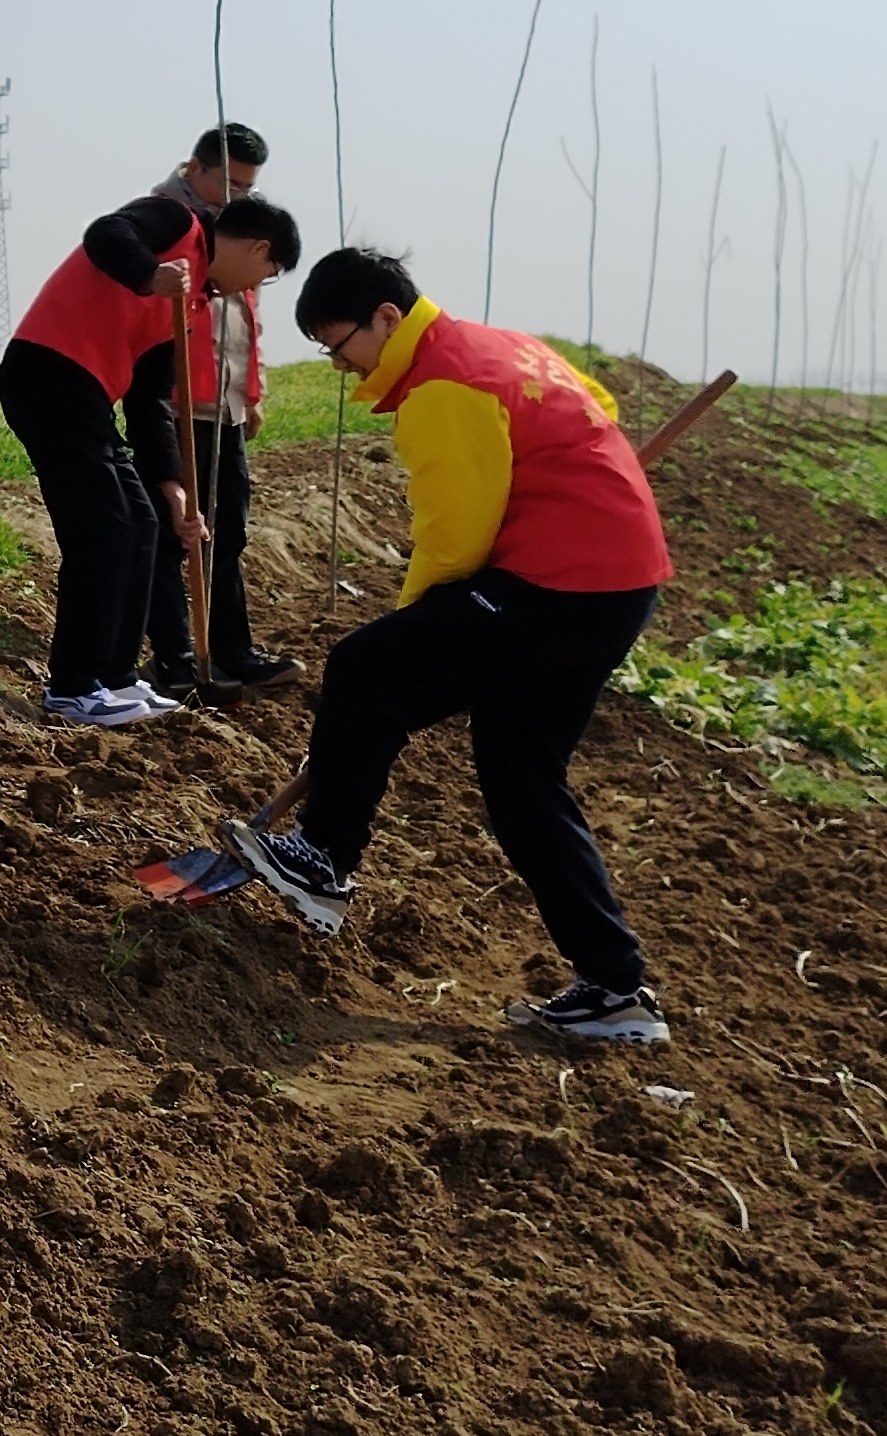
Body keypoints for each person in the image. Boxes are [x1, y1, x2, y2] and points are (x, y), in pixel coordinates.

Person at [234, 248, 676, 1046]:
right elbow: (599, 405)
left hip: (560, 581)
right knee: (521, 778)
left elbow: (456, 537)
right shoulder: (502, 346)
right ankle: (615, 988)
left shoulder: (441, 383)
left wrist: (409, 637)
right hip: (618, 584)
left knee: (365, 668)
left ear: (387, 319)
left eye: (340, 347)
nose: (340, 366)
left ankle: (323, 858)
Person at [0, 180, 300, 729]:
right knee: (104, 530)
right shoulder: (177, 223)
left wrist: (172, 486)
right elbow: (106, 233)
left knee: (144, 525)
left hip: (90, 396)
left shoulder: (193, 301)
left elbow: (150, 397)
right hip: (47, 375)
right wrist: (149, 274)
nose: (257, 284)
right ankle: (71, 687)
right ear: (259, 249)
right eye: (268, 272)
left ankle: (114, 676)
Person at [141, 124, 299, 694]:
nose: (238, 196)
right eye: (230, 183)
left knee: (227, 531)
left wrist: (251, 392)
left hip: (224, 406)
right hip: (174, 403)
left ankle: (233, 651)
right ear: (195, 169)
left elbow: (246, 322)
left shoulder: (243, 234)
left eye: (248, 188)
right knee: (171, 533)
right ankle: (176, 657)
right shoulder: (163, 224)